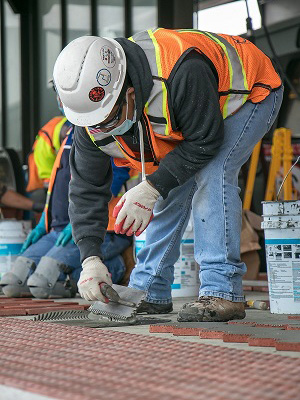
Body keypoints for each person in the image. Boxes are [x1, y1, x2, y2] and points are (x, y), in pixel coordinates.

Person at [53, 28, 283, 321]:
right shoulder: (90, 119)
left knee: (213, 173)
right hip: (196, 112)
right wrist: (90, 258)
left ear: (130, 93)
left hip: (253, 90)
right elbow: (86, 189)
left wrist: (150, 188)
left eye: (108, 119)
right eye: (94, 124)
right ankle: (150, 288)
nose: (102, 130)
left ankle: (221, 290)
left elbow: (205, 142)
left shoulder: (181, 71)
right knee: (169, 188)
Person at [0, 126, 133, 298]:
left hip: (102, 228)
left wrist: (81, 222)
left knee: (43, 283)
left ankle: (119, 266)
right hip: (59, 229)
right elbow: (57, 185)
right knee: (12, 282)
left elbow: (114, 178)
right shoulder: (71, 134)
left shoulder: (108, 128)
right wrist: (44, 223)